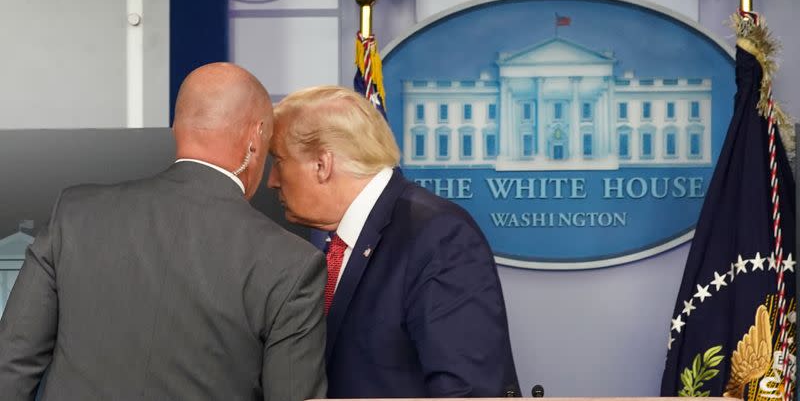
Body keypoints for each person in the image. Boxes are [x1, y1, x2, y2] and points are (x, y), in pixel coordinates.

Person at [0, 63, 327, 401]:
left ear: (176, 128)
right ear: (255, 139)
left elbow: (10, 369)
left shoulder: (75, 215)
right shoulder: (291, 264)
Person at [268, 85, 520, 398]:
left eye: (278, 161)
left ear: (323, 164)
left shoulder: (439, 236)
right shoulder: (340, 242)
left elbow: (470, 391)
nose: (272, 181)